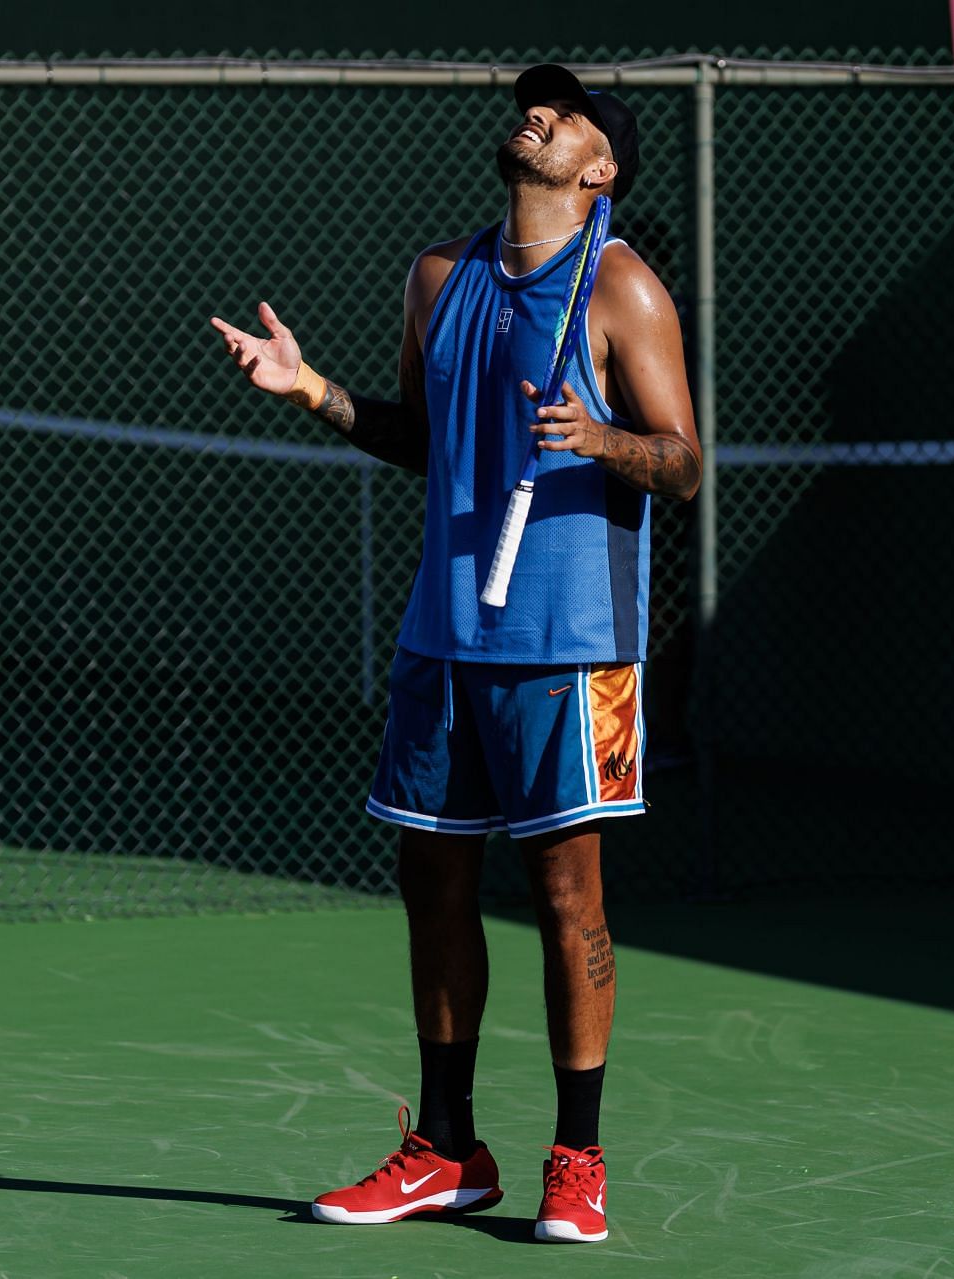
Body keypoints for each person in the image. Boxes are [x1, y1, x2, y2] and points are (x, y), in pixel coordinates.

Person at [210, 63, 699, 1245]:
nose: (539, 111)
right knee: (430, 884)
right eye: (537, 99)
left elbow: (682, 462)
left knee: (565, 891)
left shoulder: (623, 288)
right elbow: (423, 443)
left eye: (567, 110)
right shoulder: (442, 275)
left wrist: (598, 437)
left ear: (599, 167)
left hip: (574, 647)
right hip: (445, 636)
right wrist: (313, 388)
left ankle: (575, 1157)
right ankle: (446, 1148)